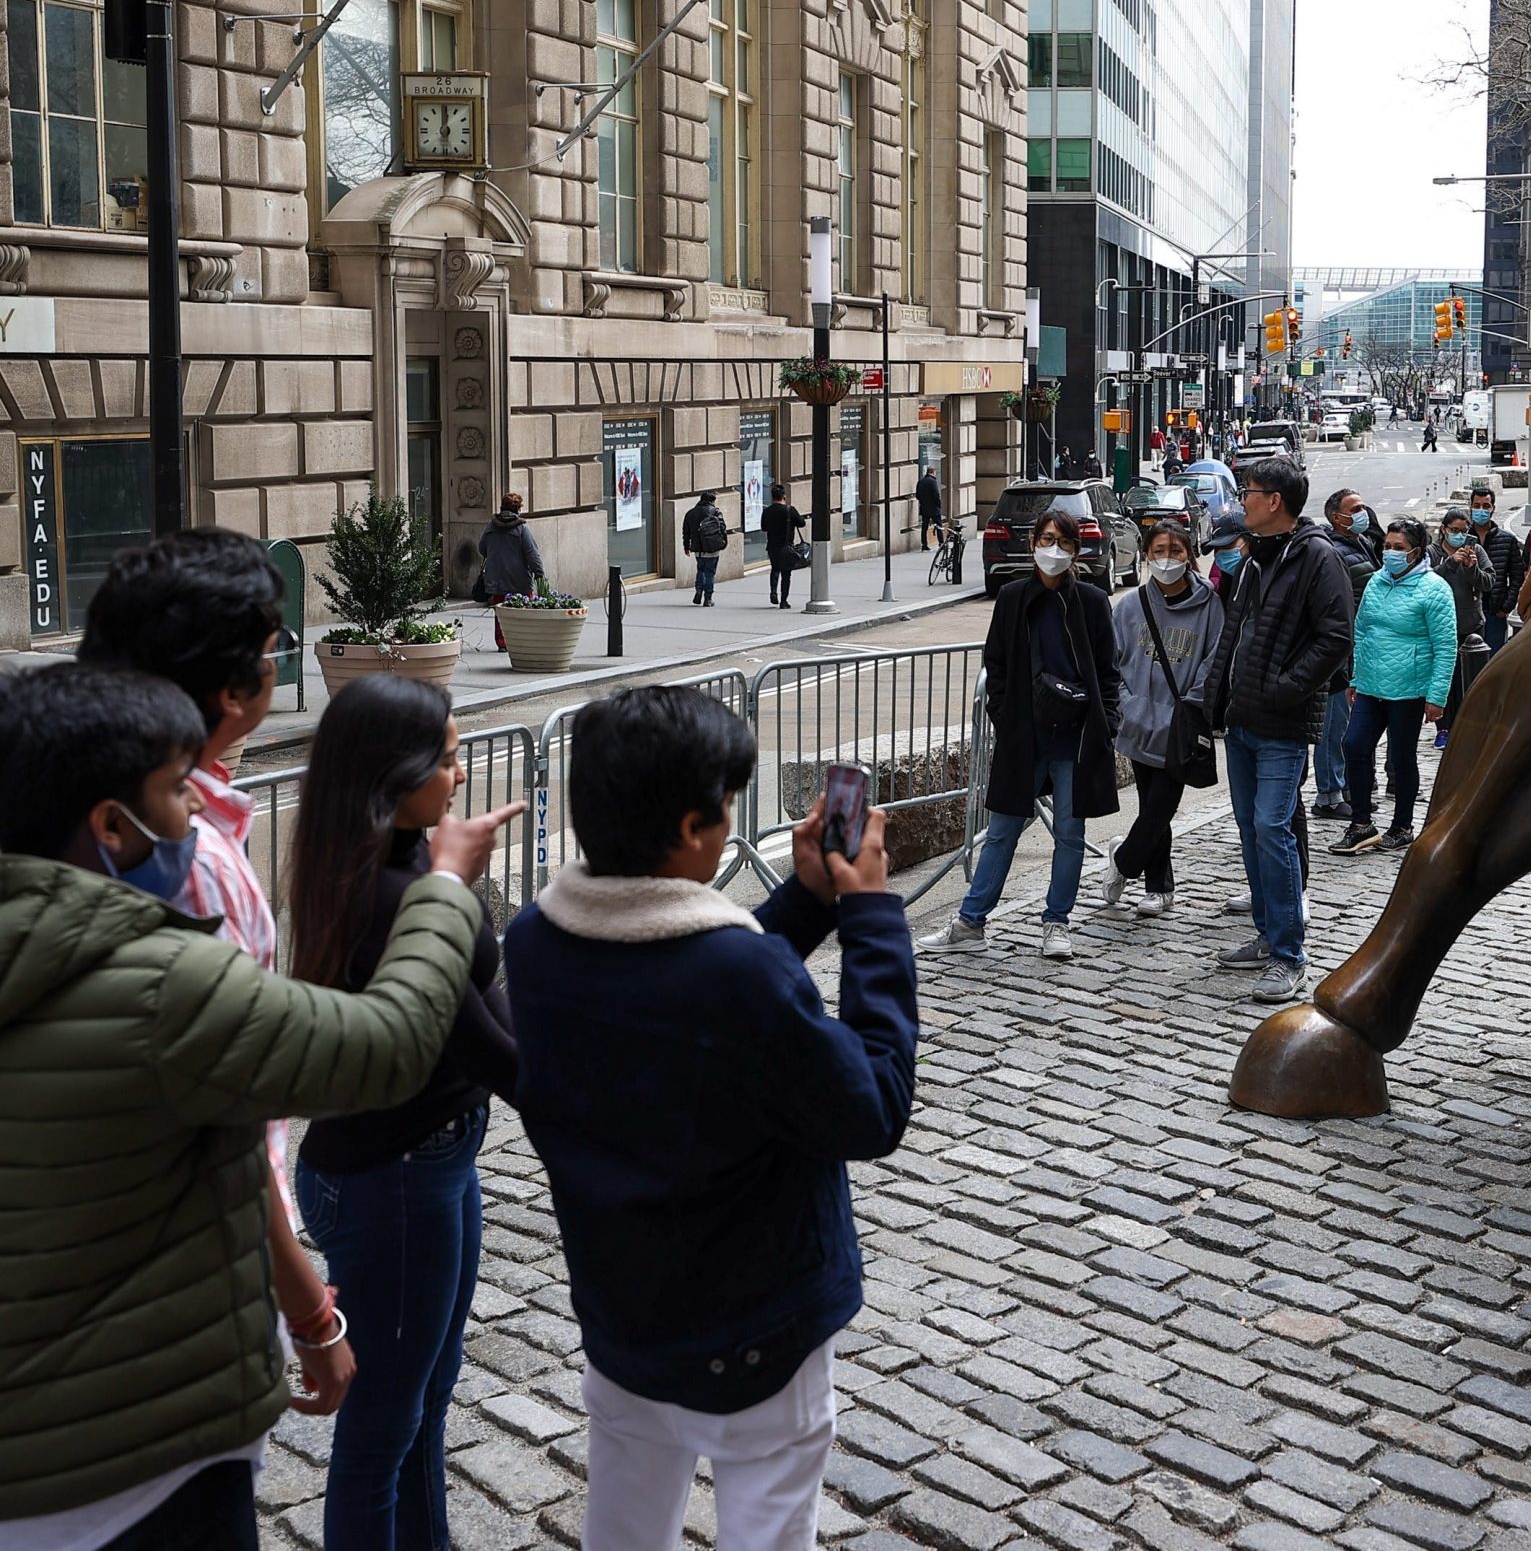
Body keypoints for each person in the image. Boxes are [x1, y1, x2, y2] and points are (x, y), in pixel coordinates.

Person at [0, 660, 511, 1544]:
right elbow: (384, 1049)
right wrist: (449, 889)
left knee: (418, 1403)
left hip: (59, 1465)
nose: (197, 812)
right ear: (109, 826)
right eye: (175, 790)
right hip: (150, 1462)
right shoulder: (163, 983)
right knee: (386, 1432)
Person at [504, 686, 913, 1551]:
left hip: (625, 1310)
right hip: (755, 1331)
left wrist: (802, 904)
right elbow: (872, 1106)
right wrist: (872, 915)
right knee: (766, 1526)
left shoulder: (537, 940)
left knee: (623, 1523)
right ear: (694, 829)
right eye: (726, 809)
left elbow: (684, 983)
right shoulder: (736, 976)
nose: (732, 825)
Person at [78, 530, 354, 1423]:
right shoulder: (188, 861)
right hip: (186, 1290)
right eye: (275, 653)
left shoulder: (87, 811)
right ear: (236, 694)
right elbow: (228, 1125)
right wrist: (312, 1315)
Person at [286, 676, 518, 1550]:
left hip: (434, 1159)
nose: (460, 777)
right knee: (383, 1427)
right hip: (396, 1176)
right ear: (396, 773)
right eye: (448, 759)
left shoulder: (404, 861)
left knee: (426, 1396)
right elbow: (503, 1058)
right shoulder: (390, 898)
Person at [915, 508, 1120, 959]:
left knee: (1069, 831)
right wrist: (1005, 717)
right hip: (1024, 735)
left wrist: (1106, 723)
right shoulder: (1011, 597)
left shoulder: (1090, 600)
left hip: (1076, 735)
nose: (1054, 550)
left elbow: (1108, 671)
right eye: (1046, 539)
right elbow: (998, 665)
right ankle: (971, 923)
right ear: (1032, 544)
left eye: (1064, 542)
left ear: (1076, 549)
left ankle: (1056, 922)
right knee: (1004, 827)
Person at [1204, 456, 1355, 1002]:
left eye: (1248, 491)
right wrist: (1216, 698)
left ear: (1274, 502)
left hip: (1284, 724)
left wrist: (1285, 687)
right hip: (1242, 719)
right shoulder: (1251, 562)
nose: (1240, 499)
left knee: (1273, 828)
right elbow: (1233, 634)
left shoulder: (1317, 557)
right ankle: (1267, 935)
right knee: (1250, 827)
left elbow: (1337, 637)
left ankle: (1291, 955)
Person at [1103, 522, 1226, 917]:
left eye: (1175, 550)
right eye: (1159, 550)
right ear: (1145, 555)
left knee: (1161, 806)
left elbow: (1213, 663)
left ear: (1189, 555)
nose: (1167, 559)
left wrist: (1191, 708)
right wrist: (1128, 705)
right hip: (1139, 723)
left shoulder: (1210, 607)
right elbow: (1113, 661)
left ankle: (1123, 862)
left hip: (1180, 726)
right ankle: (1159, 886)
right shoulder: (1130, 605)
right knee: (1148, 805)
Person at [1334, 520, 1458, 855]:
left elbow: (1445, 646)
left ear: (1416, 552)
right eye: (1387, 546)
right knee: (1355, 745)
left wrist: (1436, 697)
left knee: (1401, 757)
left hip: (1409, 688)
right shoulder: (1376, 582)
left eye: (1398, 548)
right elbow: (1362, 632)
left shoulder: (1434, 589)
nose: (1390, 552)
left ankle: (1402, 825)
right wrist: (1356, 677)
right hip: (1372, 685)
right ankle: (1361, 824)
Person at [1310, 490, 1379, 821]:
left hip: (1359, 649)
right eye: (1356, 508)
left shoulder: (1359, 543)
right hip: (1340, 652)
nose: (1364, 512)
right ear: (1337, 517)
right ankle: (1328, 794)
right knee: (1332, 726)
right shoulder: (1334, 552)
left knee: (1350, 724)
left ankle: (1348, 787)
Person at [1431, 508, 1491, 750]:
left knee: (1471, 679)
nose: (1458, 535)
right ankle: (1444, 727)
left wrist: (1471, 568)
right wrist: (1449, 565)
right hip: (1442, 625)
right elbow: (1427, 582)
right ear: (1444, 529)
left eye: (1463, 531)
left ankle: (1470, 726)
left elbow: (1488, 582)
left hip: (1471, 625)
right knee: (1446, 680)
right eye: (1454, 530)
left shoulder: (1475, 550)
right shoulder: (1432, 553)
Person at [477, 491, 544, 652]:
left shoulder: (491, 526)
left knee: (500, 611)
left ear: (502, 507)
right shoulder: (521, 529)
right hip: (519, 579)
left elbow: (482, 548)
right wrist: (540, 574)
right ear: (518, 509)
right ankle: (521, 640)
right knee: (523, 610)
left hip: (497, 578)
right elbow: (532, 554)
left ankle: (502, 642)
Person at [1470, 486, 1526, 656]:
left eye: (1485, 506)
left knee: (1493, 658)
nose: (1481, 510)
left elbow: (1517, 576)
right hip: (1468, 614)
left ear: (1493, 508)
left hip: (1495, 612)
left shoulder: (1507, 540)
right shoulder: (1462, 538)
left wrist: (1506, 607)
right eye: (1476, 505)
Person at [761, 483, 808, 607]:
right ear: (784, 496)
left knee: (775, 569)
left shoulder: (767, 511)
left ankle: (773, 592)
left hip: (772, 545)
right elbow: (802, 523)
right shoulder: (789, 510)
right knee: (786, 573)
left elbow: (764, 527)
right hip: (786, 546)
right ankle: (783, 600)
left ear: (772, 497)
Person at [681, 490, 730, 606]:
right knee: (710, 572)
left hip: (697, 548)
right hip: (712, 547)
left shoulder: (690, 513)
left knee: (700, 569)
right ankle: (708, 598)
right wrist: (723, 542)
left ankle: (698, 590)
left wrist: (686, 546)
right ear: (712, 501)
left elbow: (686, 532)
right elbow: (722, 528)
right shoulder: (715, 512)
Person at [916, 466, 944, 544]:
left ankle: (924, 544)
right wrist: (939, 504)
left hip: (924, 507)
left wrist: (923, 502)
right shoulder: (932, 482)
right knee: (939, 526)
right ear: (933, 472)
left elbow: (917, 495)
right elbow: (936, 494)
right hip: (934, 508)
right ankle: (941, 543)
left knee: (924, 527)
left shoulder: (921, 481)